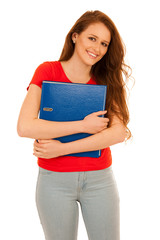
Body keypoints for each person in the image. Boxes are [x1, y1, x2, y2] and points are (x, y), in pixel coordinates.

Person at [17, 10, 132, 240]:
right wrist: (82, 125)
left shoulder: (108, 78)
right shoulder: (47, 71)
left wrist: (61, 149)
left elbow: (119, 133)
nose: (97, 48)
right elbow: (25, 126)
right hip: (54, 181)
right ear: (75, 36)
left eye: (104, 43)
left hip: (100, 180)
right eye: (92, 38)